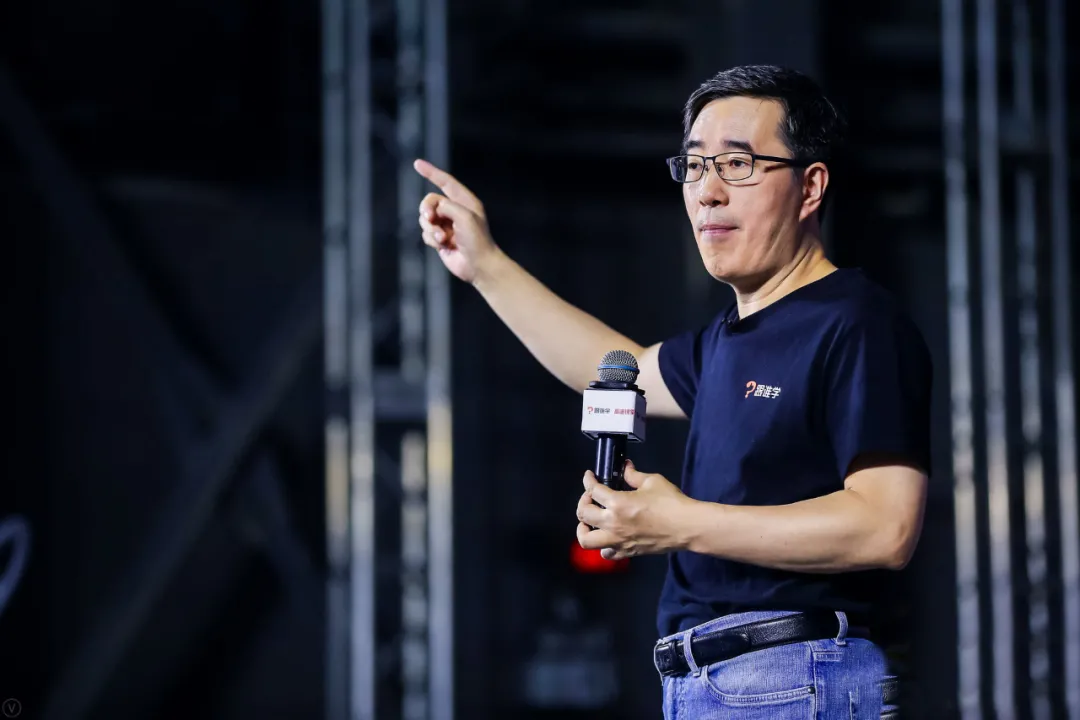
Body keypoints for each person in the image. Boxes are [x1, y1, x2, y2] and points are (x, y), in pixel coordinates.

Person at [415, 64, 930, 719]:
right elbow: (614, 365)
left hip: (792, 675)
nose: (707, 192)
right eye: (693, 166)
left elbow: (886, 526)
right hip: (710, 680)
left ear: (810, 187)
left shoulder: (855, 322)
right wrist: (485, 265)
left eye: (738, 165)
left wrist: (679, 522)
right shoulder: (725, 340)